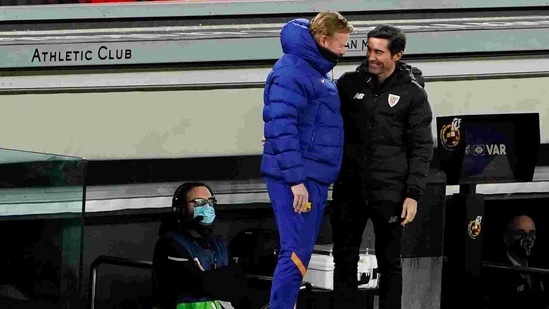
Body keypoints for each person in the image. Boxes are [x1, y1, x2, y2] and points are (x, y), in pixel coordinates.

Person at [330, 24, 433, 309]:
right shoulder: (349, 83)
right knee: (344, 258)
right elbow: (325, 122)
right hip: (349, 187)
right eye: (369, 49)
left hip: (390, 191)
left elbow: (422, 147)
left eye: (379, 52)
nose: (371, 57)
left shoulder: (413, 94)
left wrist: (413, 194)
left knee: (390, 262)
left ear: (397, 55)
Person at [261, 11, 353, 309]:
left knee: (299, 252)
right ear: (323, 40)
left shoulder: (314, 69)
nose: (343, 50)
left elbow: (296, 126)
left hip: (309, 175)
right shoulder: (293, 71)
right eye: (342, 44)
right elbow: (281, 126)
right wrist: (295, 180)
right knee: (296, 252)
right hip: (297, 180)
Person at [151, 182, 253, 309]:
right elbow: (197, 283)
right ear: (180, 209)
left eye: (210, 201)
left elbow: (240, 284)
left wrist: (214, 279)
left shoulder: (218, 244)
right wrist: (224, 277)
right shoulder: (169, 244)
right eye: (198, 202)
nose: (207, 207)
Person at [482, 214, 549, 309]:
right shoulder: (496, 273)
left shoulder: (540, 267)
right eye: (520, 234)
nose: (528, 239)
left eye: (532, 233)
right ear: (506, 238)